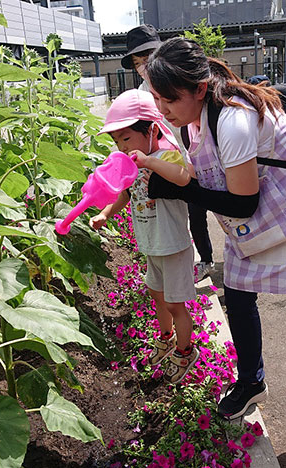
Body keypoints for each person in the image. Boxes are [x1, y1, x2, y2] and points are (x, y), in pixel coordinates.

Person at [145, 37, 286, 446]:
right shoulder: (194, 119)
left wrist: (181, 191)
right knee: (238, 299)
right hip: (259, 229)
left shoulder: (233, 120)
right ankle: (250, 381)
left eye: (168, 99)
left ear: (200, 88)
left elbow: (242, 202)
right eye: (157, 98)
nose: (162, 109)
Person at [90, 89, 199, 384]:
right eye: (116, 142)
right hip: (152, 245)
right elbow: (125, 194)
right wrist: (105, 214)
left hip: (174, 246)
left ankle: (186, 349)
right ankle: (166, 336)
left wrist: (148, 162)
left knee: (176, 304)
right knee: (156, 295)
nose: (122, 147)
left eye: (126, 138)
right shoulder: (131, 165)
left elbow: (183, 177)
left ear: (151, 130)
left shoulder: (166, 156)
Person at [122, 24, 215, 283]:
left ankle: (206, 261)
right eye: (138, 62)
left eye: (148, 58)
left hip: (194, 155)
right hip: (164, 163)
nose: (144, 66)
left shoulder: (181, 79)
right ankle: (185, 265)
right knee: (177, 216)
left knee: (202, 211)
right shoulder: (140, 95)